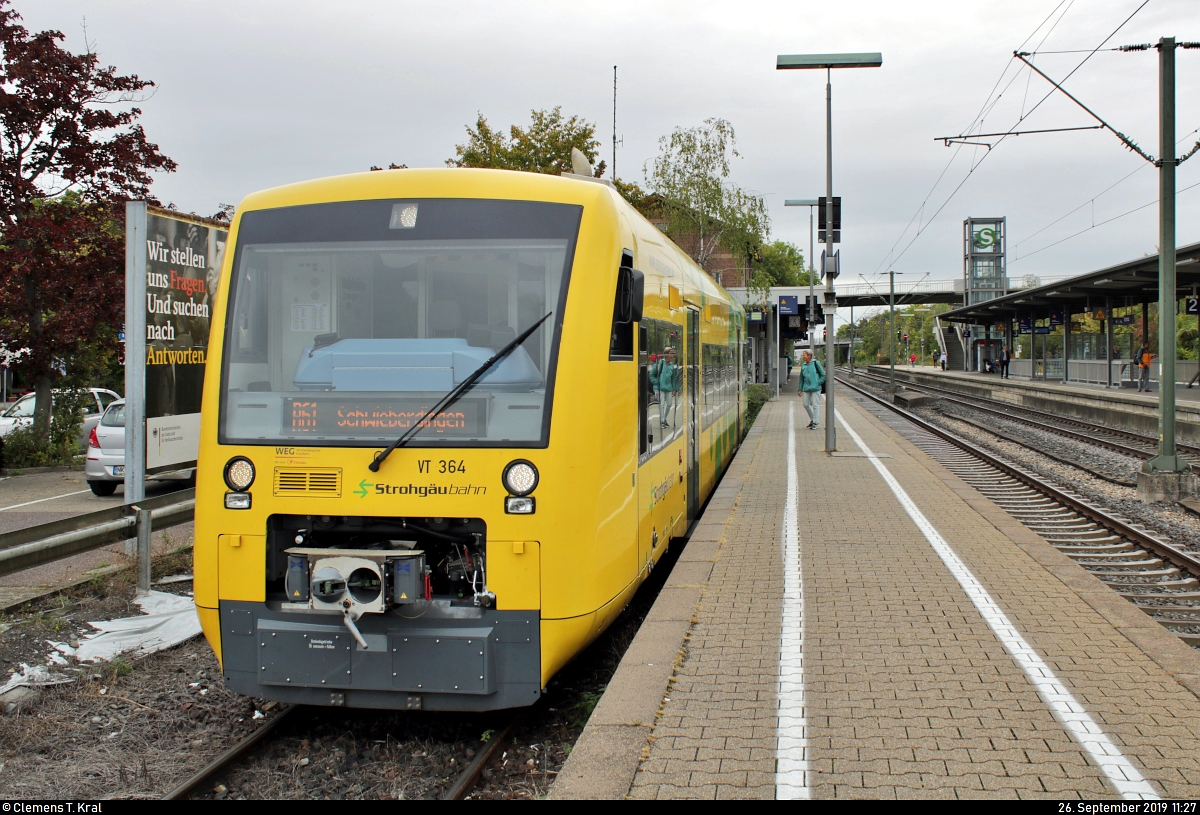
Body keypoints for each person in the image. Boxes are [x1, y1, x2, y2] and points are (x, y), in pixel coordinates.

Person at [797, 349, 825, 430]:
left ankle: (815, 422)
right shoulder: (804, 365)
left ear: (809, 356)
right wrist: (800, 389)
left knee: (815, 405)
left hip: (816, 388)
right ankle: (813, 419)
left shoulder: (816, 363)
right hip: (806, 388)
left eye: (804, 355)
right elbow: (801, 378)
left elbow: (823, 374)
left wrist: (818, 382)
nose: (803, 356)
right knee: (805, 404)